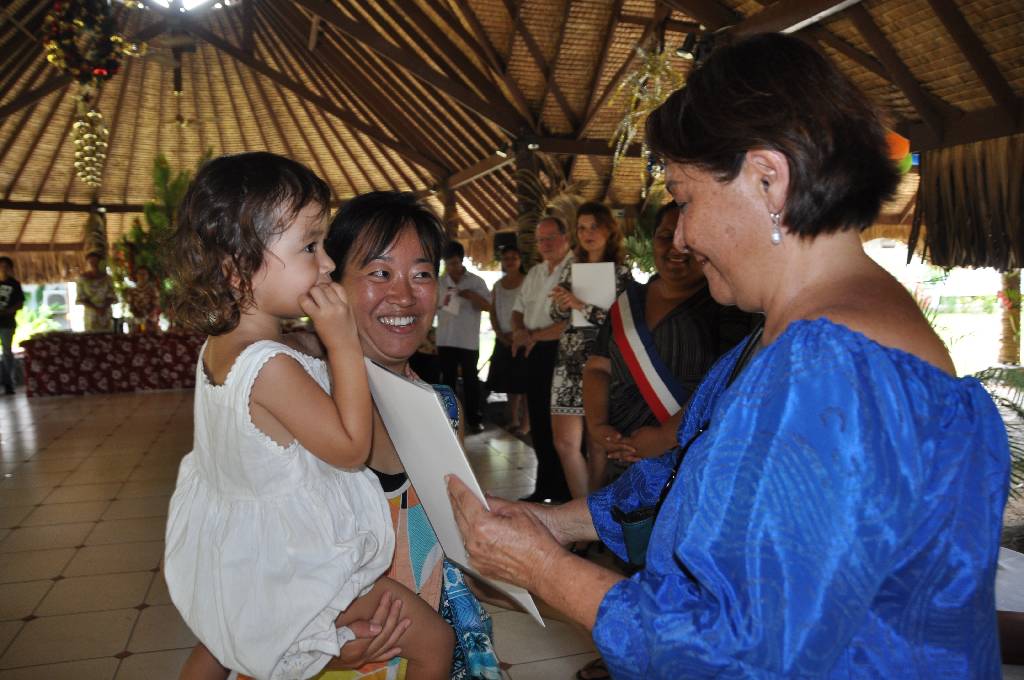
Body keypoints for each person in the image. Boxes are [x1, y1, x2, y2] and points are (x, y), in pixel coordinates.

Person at [448, 33, 1009, 678]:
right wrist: (557, 525)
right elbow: (687, 476)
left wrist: (542, 569)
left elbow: (739, 651)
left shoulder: (832, 370)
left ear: (769, 179)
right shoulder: (794, 336)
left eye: (684, 200)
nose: (680, 237)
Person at [164, 154, 454, 680]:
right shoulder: (272, 364)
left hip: (248, 564)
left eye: (422, 274)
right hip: (297, 570)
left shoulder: (221, 348)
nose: (324, 265)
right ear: (238, 267)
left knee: (217, 648)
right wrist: (341, 341)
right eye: (310, 247)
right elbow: (349, 448)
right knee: (436, 641)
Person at [320, 190, 501, 680]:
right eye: (380, 273)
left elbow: (449, 548)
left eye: (421, 274)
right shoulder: (304, 403)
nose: (404, 295)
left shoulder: (442, 407)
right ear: (331, 284)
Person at [582, 202, 756, 490]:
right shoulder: (628, 302)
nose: (677, 247)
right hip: (620, 461)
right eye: (666, 235)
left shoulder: (728, 306)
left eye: (689, 238)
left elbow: (730, 384)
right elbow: (598, 367)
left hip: (689, 466)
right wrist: (599, 428)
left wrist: (665, 436)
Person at [548, 202, 633, 499]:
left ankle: (592, 520)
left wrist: (581, 305)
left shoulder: (622, 273)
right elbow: (556, 315)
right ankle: (582, 512)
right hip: (568, 363)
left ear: (609, 229)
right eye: (582, 228)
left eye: (594, 226)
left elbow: (621, 323)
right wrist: (560, 303)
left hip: (602, 364)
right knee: (564, 443)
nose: (587, 233)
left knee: (598, 444)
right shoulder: (571, 268)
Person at [510, 216, 573, 503]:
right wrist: (519, 332)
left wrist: (532, 335)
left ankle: (566, 490)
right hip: (534, 350)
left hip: (564, 352)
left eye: (551, 237)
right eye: (540, 239)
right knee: (537, 419)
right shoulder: (535, 272)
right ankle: (545, 486)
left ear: (565, 237)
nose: (545, 244)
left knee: (562, 426)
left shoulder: (577, 269)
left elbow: (575, 321)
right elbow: (517, 309)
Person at [436, 240, 491, 433]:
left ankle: (474, 420)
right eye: (448, 263)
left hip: (468, 341)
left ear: (461, 260)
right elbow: (430, 309)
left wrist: (472, 296)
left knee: (470, 380)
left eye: (455, 263)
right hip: (445, 339)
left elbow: (488, 306)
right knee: (447, 381)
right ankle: (449, 420)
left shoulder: (476, 281)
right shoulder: (439, 283)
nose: (452, 267)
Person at [487, 245, 528, 435]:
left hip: (525, 339)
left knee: (525, 384)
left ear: (520, 260)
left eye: (514, 257)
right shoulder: (498, 285)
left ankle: (526, 423)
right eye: (506, 258)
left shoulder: (527, 282)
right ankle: (512, 418)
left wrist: (520, 334)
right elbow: (493, 313)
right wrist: (501, 335)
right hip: (504, 340)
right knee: (510, 383)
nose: (510, 261)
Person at [0, 256, 24, 395]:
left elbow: (20, 304)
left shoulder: (15, 284)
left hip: (7, 322)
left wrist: (7, 311)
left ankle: (9, 383)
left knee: (7, 352)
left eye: (5, 266)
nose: (3, 268)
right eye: (1, 266)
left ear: (10, 269)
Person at [75, 251, 116, 332]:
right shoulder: (82, 279)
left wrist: (103, 308)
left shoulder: (107, 278)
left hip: (105, 311)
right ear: (87, 263)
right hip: (91, 313)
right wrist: (96, 309)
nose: (93, 263)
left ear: (100, 262)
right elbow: (81, 297)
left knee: (107, 335)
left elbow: (112, 296)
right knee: (92, 336)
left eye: (95, 261)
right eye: (91, 261)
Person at [124, 265, 161, 332]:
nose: (142, 276)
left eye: (144, 274)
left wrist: (146, 314)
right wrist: (137, 313)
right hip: (136, 321)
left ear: (148, 275)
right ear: (136, 275)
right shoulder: (132, 291)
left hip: (150, 321)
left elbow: (155, 304)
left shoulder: (153, 289)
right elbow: (130, 305)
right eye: (140, 274)